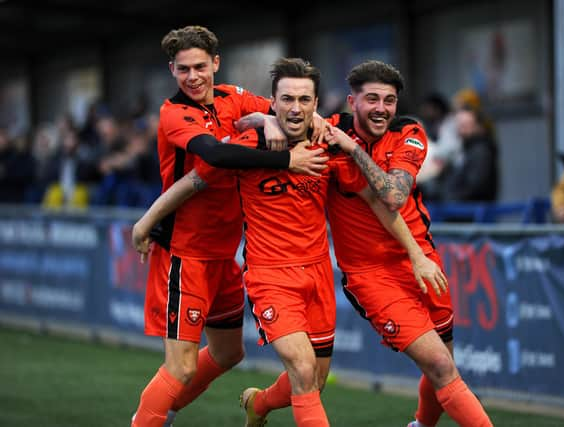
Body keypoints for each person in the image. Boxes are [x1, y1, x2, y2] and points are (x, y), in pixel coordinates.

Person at [132, 57, 444, 427]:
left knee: (314, 379)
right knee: (300, 365)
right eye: (287, 99)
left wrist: (415, 254)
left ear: (315, 105)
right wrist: (147, 221)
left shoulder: (327, 145)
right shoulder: (249, 144)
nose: (295, 108)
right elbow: (195, 181)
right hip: (269, 276)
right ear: (273, 102)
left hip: (317, 276)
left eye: (304, 100)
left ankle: (259, 404)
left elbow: (380, 202)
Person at [239, 61, 492, 427]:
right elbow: (265, 114)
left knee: (443, 364)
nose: (381, 108)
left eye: (389, 100)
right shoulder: (325, 131)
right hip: (371, 275)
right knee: (438, 364)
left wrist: (418, 256)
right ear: (351, 102)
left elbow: (391, 196)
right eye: (371, 98)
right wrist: (266, 121)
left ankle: (419, 424)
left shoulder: (409, 132)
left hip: (421, 260)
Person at [130, 27, 327, 427]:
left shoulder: (233, 98)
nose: (193, 76)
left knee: (227, 352)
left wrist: (291, 117)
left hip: (224, 253)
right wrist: (286, 161)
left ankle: (160, 412)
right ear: (172, 70)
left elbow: (287, 108)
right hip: (185, 253)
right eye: (183, 69)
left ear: (215, 63)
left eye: (200, 66)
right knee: (181, 367)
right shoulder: (174, 113)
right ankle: (146, 419)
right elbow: (215, 154)